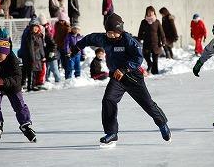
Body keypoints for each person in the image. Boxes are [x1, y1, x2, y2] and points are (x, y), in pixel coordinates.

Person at [71, 13, 171, 146]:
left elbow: (138, 58)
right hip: (117, 77)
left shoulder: (128, 40)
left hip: (132, 77)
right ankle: (111, 132)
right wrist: (77, 47)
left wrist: (124, 69)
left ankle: (162, 123)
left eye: (114, 33)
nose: (111, 35)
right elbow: (89, 38)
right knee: (108, 100)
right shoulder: (103, 39)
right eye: (109, 32)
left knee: (147, 103)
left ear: (120, 30)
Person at [138, 6, 166, 74]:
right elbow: (140, 32)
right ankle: (150, 64)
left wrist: (163, 41)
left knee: (155, 59)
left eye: (151, 12)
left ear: (154, 12)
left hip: (156, 44)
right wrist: (140, 38)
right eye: (149, 12)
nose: (150, 13)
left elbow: (161, 32)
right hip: (147, 43)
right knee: (146, 55)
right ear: (146, 13)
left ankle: (155, 72)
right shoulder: (144, 22)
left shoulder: (157, 22)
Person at [38, 13, 61, 83]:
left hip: (51, 54)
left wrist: (52, 52)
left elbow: (54, 44)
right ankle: (46, 80)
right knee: (46, 68)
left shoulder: (48, 33)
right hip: (45, 53)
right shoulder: (40, 34)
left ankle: (58, 80)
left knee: (54, 68)